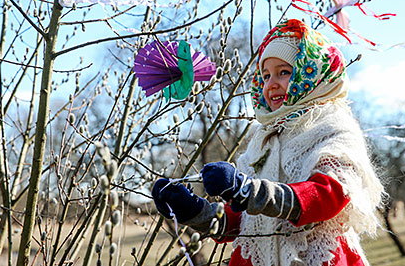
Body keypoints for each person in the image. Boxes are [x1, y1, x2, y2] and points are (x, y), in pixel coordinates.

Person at [152, 18, 385, 266]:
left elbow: (328, 196)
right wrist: (193, 211)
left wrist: (248, 190)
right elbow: (243, 221)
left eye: (284, 72)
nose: (270, 84)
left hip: (314, 257)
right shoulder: (263, 140)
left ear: (313, 74)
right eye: (265, 76)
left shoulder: (333, 129)